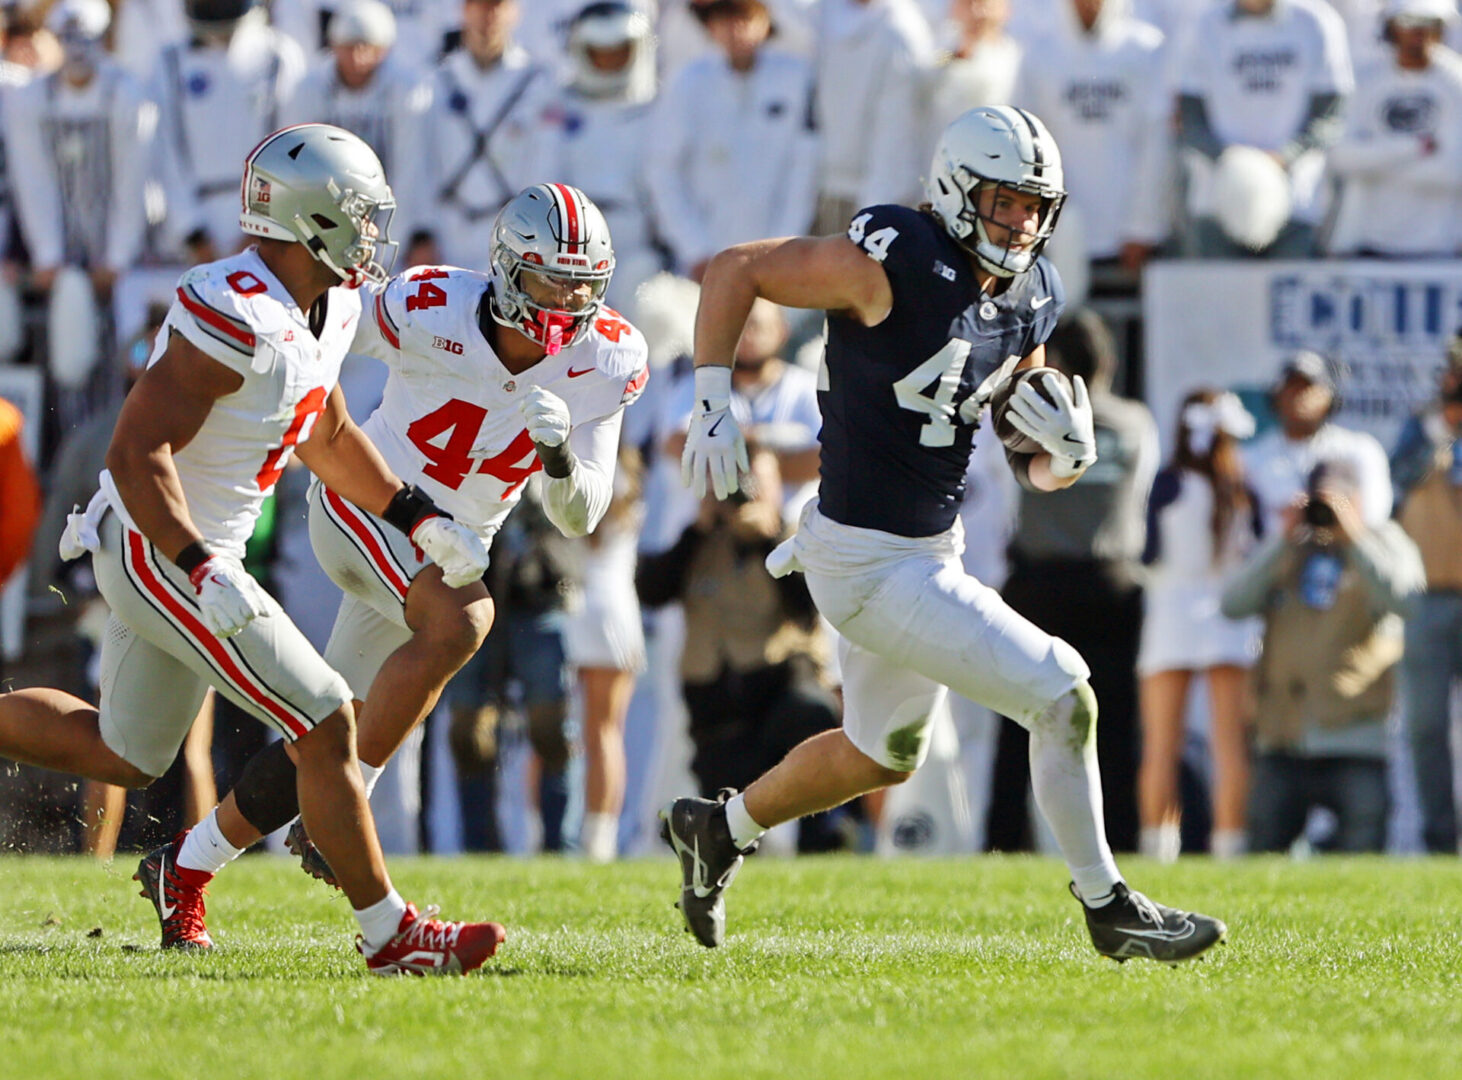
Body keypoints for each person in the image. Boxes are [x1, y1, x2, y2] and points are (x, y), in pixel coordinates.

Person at [665, 105, 1226, 962]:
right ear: (959, 191)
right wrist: (712, 401)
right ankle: (1108, 905)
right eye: (1005, 202)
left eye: (1035, 206)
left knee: (881, 755)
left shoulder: (1032, 295)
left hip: (924, 553)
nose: (1022, 223)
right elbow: (738, 268)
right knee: (1063, 693)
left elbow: (1022, 445)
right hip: (866, 560)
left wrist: (1064, 457)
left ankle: (719, 829)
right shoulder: (894, 259)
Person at [0, 124, 505, 975]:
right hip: (160, 544)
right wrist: (198, 565)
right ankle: (391, 935)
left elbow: (327, 432)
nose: (372, 235)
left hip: (194, 548)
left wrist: (415, 515)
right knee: (325, 715)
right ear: (313, 219)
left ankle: (178, 880)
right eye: (361, 216)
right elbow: (136, 451)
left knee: (126, 753)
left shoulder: (330, 305)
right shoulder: (234, 312)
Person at [184, 183, 648, 886]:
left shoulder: (610, 356)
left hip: (446, 553)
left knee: (328, 732)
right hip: (368, 508)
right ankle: (346, 812)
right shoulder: (431, 305)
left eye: (581, 285)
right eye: (549, 281)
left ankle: (187, 862)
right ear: (507, 268)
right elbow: (319, 330)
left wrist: (556, 456)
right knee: (466, 619)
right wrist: (308, 420)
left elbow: (578, 516)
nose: (565, 301)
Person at [983, 308, 1157, 855]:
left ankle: (1005, 842)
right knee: (1114, 724)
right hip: (1112, 580)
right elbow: (1142, 493)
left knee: (1018, 719)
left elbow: (1004, 487)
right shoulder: (1134, 422)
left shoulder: (1027, 418)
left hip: (1039, 582)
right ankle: (1120, 844)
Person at [638, 443, 844, 851]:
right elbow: (651, 590)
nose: (739, 493)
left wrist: (767, 539)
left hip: (778, 688)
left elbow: (808, 608)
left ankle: (823, 840)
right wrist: (697, 530)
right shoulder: (697, 541)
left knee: (812, 714)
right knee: (725, 818)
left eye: (753, 482)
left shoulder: (796, 538)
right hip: (719, 705)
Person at [1221, 460, 1423, 853]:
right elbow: (1232, 604)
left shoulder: (1385, 540)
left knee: (1363, 859)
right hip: (1283, 737)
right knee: (1264, 853)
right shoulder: (1290, 547)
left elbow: (1408, 602)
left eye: (1340, 499)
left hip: (1355, 735)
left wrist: (1355, 537)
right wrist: (1282, 538)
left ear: (1359, 498)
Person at [1137, 389, 1261, 861]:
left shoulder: (1169, 482)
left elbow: (1147, 553)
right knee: (1229, 747)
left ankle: (1158, 847)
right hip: (1229, 621)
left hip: (1173, 619)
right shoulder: (1242, 486)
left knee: (1161, 745)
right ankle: (1230, 845)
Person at [645, 0, 818, 282]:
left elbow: (804, 170)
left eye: (746, 17)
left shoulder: (796, 78)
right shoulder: (687, 82)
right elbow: (663, 169)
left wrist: (781, 247)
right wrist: (694, 249)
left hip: (778, 258)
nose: (736, 29)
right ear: (710, 26)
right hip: (702, 260)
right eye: (724, 19)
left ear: (767, 20)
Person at [1174, 0, 1353, 258]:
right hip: (1217, 202)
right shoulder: (1204, 24)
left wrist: (1283, 157)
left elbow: (1330, 116)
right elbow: (1189, 117)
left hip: (1295, 204)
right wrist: (1235, 162)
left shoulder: (1317, 21)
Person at [533, 1, 663, 310]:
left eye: (620, 52)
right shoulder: (558, 108)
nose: (609, 61)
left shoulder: (658, 108)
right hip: (574, 243)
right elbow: (543, 182)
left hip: (639, 245)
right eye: (600, 53)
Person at [1390, 360, 1462, 853]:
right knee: (1426, 727)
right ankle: (1439, 839)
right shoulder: (1422, 427)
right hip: (1429, 596)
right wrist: (1442, 427)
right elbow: (1399, 478)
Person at [1326, 0, 1462, 258]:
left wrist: (1374, 162)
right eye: (1409, 22)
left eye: (1429, 23)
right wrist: (1416, 148)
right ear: (1391, 27)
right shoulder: (1365, 81)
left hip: (1440, 249)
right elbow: (1340, 156)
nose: (1419, 32)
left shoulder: (1456, 82)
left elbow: (1454, 170)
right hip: (1370, 244)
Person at [1243, 350, 1393, 538]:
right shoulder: (1250, 458)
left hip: (1345, 550)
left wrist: (1336, 505)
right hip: (1281, 551)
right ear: (1276, 397)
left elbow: (1374, 517)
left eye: (1309, 387)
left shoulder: (1359, 449)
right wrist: (1293, 515)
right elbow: (1249, 529)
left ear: (1330, 397)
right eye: (1292, 388)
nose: (1300, 396)